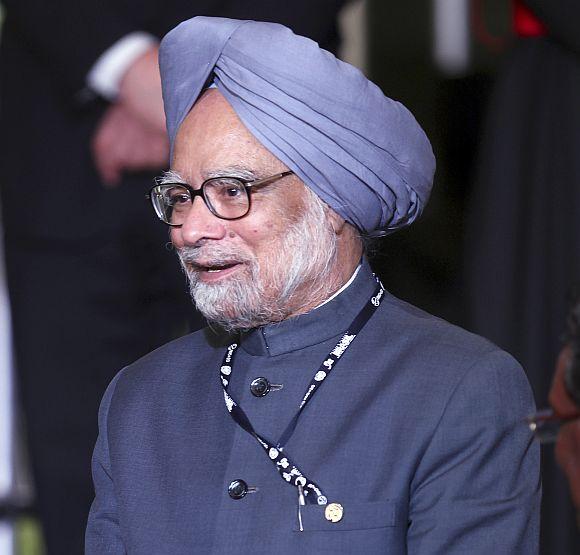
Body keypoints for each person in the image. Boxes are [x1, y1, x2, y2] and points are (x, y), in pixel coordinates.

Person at [86, 17, 540, 554]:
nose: (190, 228)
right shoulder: (140, 401)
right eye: (181, 195)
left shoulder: (459, 390)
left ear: (330, 203)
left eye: (232, 191)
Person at [0, 2, 346, 553]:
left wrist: (196, 105)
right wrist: (128, 71)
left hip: (264, 146)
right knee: (79, 467)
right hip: (63, 148)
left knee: (284, 449)